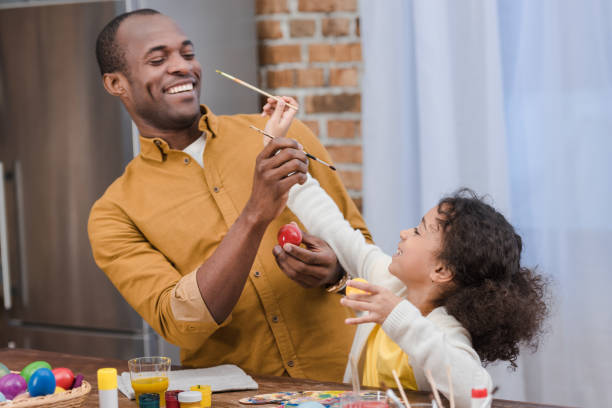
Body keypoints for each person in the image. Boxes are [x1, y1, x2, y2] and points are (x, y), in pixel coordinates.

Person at [88, 9, 371, 382]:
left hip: (345, 384)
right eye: (158, 59)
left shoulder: (278, 136)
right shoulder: (114, 213)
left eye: (187, 55)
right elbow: (180, 321)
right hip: (236, 399)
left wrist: (335, 270)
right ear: (115, 84)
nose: (180, 67)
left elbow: (364, 250)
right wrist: (256, 212)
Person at [261, 100, 549, 408]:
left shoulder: (444, 329)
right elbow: (330, 223)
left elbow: (475, 392)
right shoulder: (388, 281)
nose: (403, 233)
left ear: (441, 270)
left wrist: (397, 315)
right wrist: (273, 143)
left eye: (418, 230)